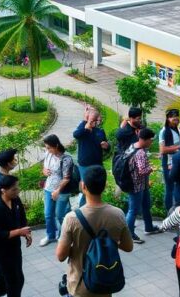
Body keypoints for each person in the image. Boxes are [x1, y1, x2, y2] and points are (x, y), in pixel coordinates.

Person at [56, 165, 134, 297]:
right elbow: (128, 246)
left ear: (83, 186)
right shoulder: (118, 214)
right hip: (104, 283)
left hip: (79, 285)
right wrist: (109, 242)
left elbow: (60, 255)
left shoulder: (71, 218)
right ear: (104, 186)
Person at [0, 175, 32, 297]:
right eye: (14, 189)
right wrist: (19, 232)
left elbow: (22, 218)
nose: (17, 191)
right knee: (14, 281)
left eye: (17, 188)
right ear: (3, 190)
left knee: (3, 276)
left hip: (14, 248)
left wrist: (26, 233)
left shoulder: (15, 200)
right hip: (1, 252)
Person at [125, 127, 159, 243]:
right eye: (151, 139)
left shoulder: (132, 146)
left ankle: (149, 227)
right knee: (133, 210)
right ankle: (129, 234)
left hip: (141, 185)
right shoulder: (140, 153)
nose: (151, 142)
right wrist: (151, 168)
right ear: (145, 139)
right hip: (136, 186)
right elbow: (142, 170)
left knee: (146, 206)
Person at [73, 106, 110, 207]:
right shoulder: (83, 129)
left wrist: (106, 146)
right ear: (87, 118)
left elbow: (107, 146)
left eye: (96, 120)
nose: (95, 122)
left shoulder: (100, 131)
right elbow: (76, 134)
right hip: (85, 164)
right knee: (87, 189)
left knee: (97, 189)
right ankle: (82, 211)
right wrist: (86, 125)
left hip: (98, 164)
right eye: (92, 120)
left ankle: (93, 210)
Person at [42, 134, 74, 247]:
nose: (47, 150)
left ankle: (64, 236)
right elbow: (44, 167)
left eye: (49, 147)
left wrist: (57, 190)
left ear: (56, 146)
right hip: (48, 188)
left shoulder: (66, 159)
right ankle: (50, 236)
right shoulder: (48, 154)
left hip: (62, 191)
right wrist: (44, 171)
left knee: (60, 215)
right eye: (46, 147)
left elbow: (66, 178)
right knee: (48, 214)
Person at [158, 109, 180, 211]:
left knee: (177, 188)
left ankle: (176, 211)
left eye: (177, 116)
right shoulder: (164, 131)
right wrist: (179, 148)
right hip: (168, 164)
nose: (176, 118)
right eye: (173, 117)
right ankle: (169, 213)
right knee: (169, 189)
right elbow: (162, 149)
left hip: (177, 163)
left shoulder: (177, 130)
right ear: (168, 118)